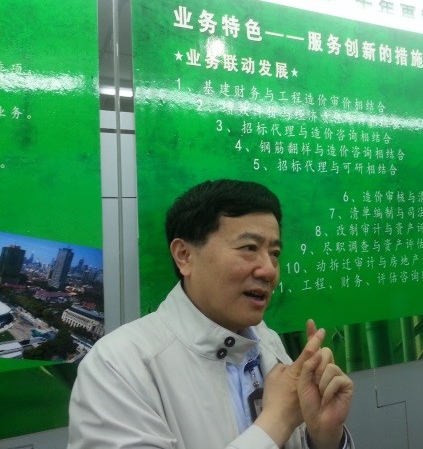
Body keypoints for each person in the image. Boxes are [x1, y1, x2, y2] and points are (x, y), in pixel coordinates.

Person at [68, 179, 354, 448]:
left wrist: (324, 437)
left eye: (275, 253)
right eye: (249, 248)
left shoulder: (268, 342)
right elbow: (279, 421)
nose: (269, 270)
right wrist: (277, 420)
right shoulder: (119, 365)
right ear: (184, 256)